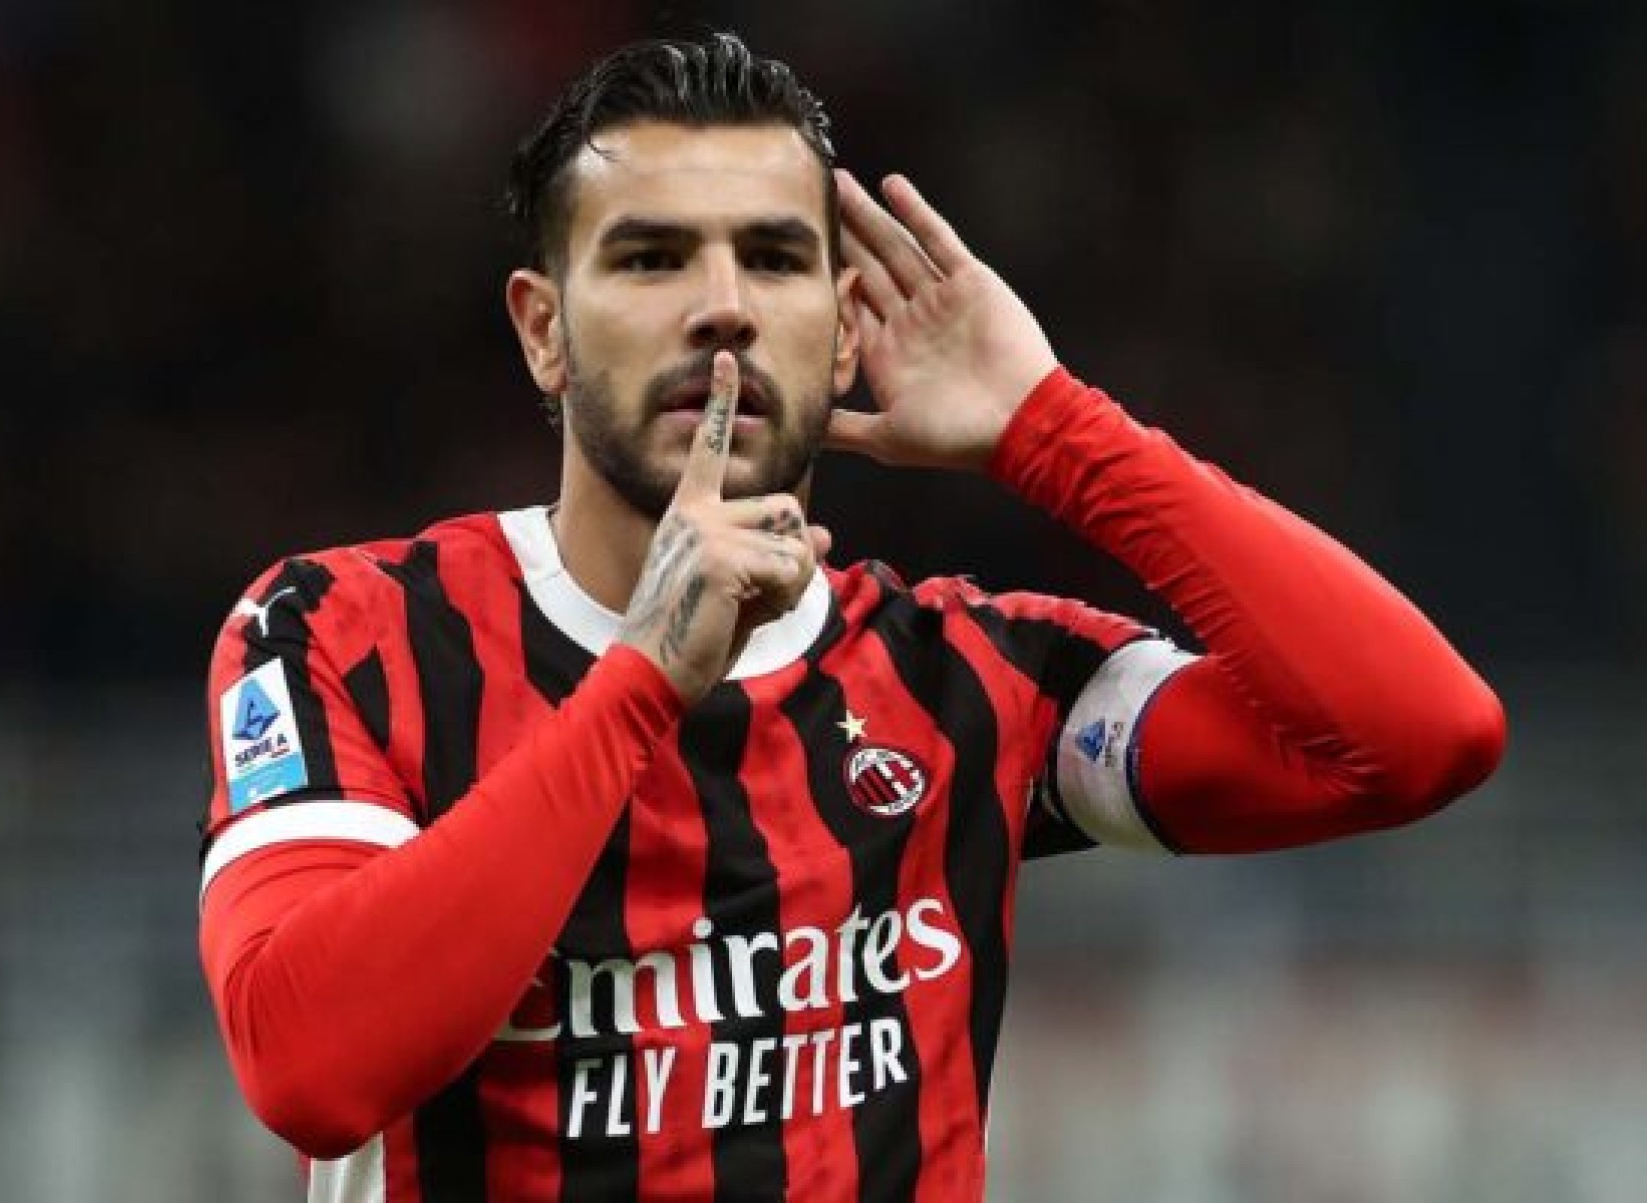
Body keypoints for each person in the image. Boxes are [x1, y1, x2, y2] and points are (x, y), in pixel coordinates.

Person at [196, 32, 1505, 1202]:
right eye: (651, 257)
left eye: (773, 258)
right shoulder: (343, 633)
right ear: (544, 331)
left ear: (839, 333)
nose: (722, 305)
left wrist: (1060, 434)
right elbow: (309, 1068)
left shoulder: (963, 685)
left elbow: (1419, 736)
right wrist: (645, 680)